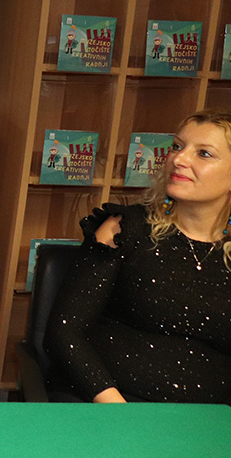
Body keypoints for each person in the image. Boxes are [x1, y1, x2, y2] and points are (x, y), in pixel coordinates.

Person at [46, 110, 231, 403]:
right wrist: (121, 412)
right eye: (177, 146)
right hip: (111, 405)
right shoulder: (124, 229)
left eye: (204, 153)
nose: (179, 159)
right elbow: (64, 333)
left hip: (209, 419)